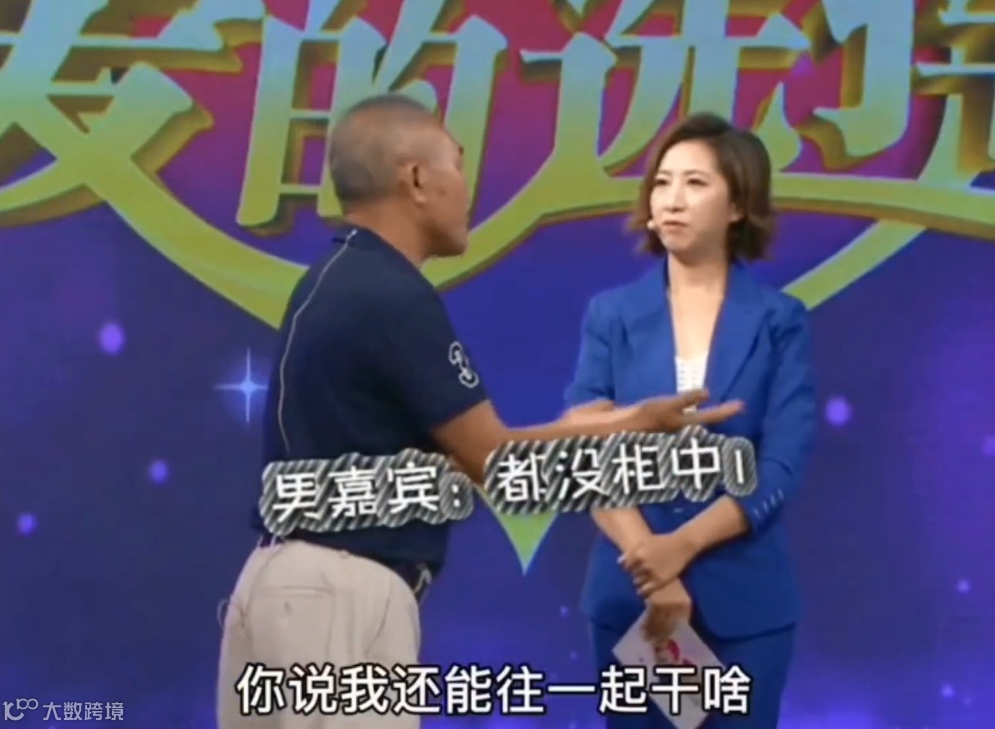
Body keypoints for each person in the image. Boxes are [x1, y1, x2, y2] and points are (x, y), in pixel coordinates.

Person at [215, 95, 744, 729]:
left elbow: (466, 455)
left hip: (286, 591)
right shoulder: (392, 295)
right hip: (341, 598)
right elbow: (494, 460)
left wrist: (624, 422)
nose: (470, 190)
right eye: (459, 166)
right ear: (416, 178)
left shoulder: (341, 277)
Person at [564, 112, 817, 728]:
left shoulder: (780, 320)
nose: (672, 199)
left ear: (739, 206)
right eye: (662, 182)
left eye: (695, 183)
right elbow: (582, 448)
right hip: (634, 599)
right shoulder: (612, 315)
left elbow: (781, 462)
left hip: (744, 607)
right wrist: (652, 567)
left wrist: (681, 547)